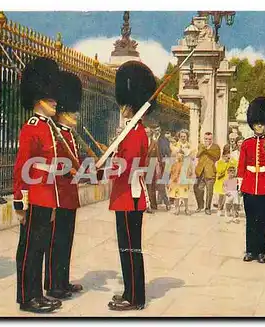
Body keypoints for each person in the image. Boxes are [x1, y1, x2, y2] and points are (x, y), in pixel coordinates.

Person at [13, 57, 63, 313]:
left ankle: (37, 294)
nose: (55, 101)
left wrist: (53, 201)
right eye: (51, 98)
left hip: (47, 195)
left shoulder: (48, 128)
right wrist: (20, 203)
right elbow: (23, 167)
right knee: (30, 249)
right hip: (33, 196)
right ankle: (26, 297)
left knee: (40, 248)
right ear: (39, 99)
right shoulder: (31, 128)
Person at [105, 61, 155, 311]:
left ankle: (135, 297)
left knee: (130, 248)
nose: (121, 108)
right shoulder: (131, 131)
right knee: (127, 248)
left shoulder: (135, 133)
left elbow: (126, 166)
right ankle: (130, 291)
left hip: (129, 196)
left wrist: (103, 168)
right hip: (126, 195)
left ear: (131, 105)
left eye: (124, 104)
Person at [43, 71, 84, 300]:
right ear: (62, 114)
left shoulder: (68, 135)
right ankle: (53, 284)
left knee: (66, 241)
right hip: (58, 195)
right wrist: (68, 170)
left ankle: (63, 280)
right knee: (56, 241)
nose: (74, 115)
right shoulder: (55, 135)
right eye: (70, 112)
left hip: (70, 196)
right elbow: (52, 164)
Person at [238, 97, 265, 264]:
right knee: (251, 220)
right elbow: (242, 165)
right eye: (256, 124)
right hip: (249, 184)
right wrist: (240, 184)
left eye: (261, 124)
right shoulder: (247, 144)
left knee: (263, 220)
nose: (259, 127)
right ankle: (250, 251)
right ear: (252, 125)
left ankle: (260, 252)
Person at [194, 132, 221, 215]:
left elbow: (217, 157)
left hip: (210, 172)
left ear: (212, 139)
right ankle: (200, 205)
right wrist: (203, 149)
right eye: (206, 139)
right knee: (197, 189)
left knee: (209, 192)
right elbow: (197, 155)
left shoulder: (216, 147)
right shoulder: (201, 146)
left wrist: (207, 150)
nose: (207, 140)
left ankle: (207, 208)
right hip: (200, 171)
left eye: (209, 139)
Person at [214, 145, 238, 217]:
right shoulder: (220, 161)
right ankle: (219, 209)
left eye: (229, 153)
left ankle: (228, 210)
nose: (228, 155)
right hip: (222, 180)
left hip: (230, 180)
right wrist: (225, 162)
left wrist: (231, 160)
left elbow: (235, 166)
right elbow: (219, 171)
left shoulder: (232, 160)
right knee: (221, 196)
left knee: (230, 196)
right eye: (227, 152)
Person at [156, 126, 171, 210]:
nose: (157, 131)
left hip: (161, 164)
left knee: (160, 183)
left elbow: (168, 153)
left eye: (158, 130)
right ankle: (159, 199)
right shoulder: (147, 139)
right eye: (155, 130)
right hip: (149, 164)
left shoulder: (164, 140)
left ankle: (166, 201)